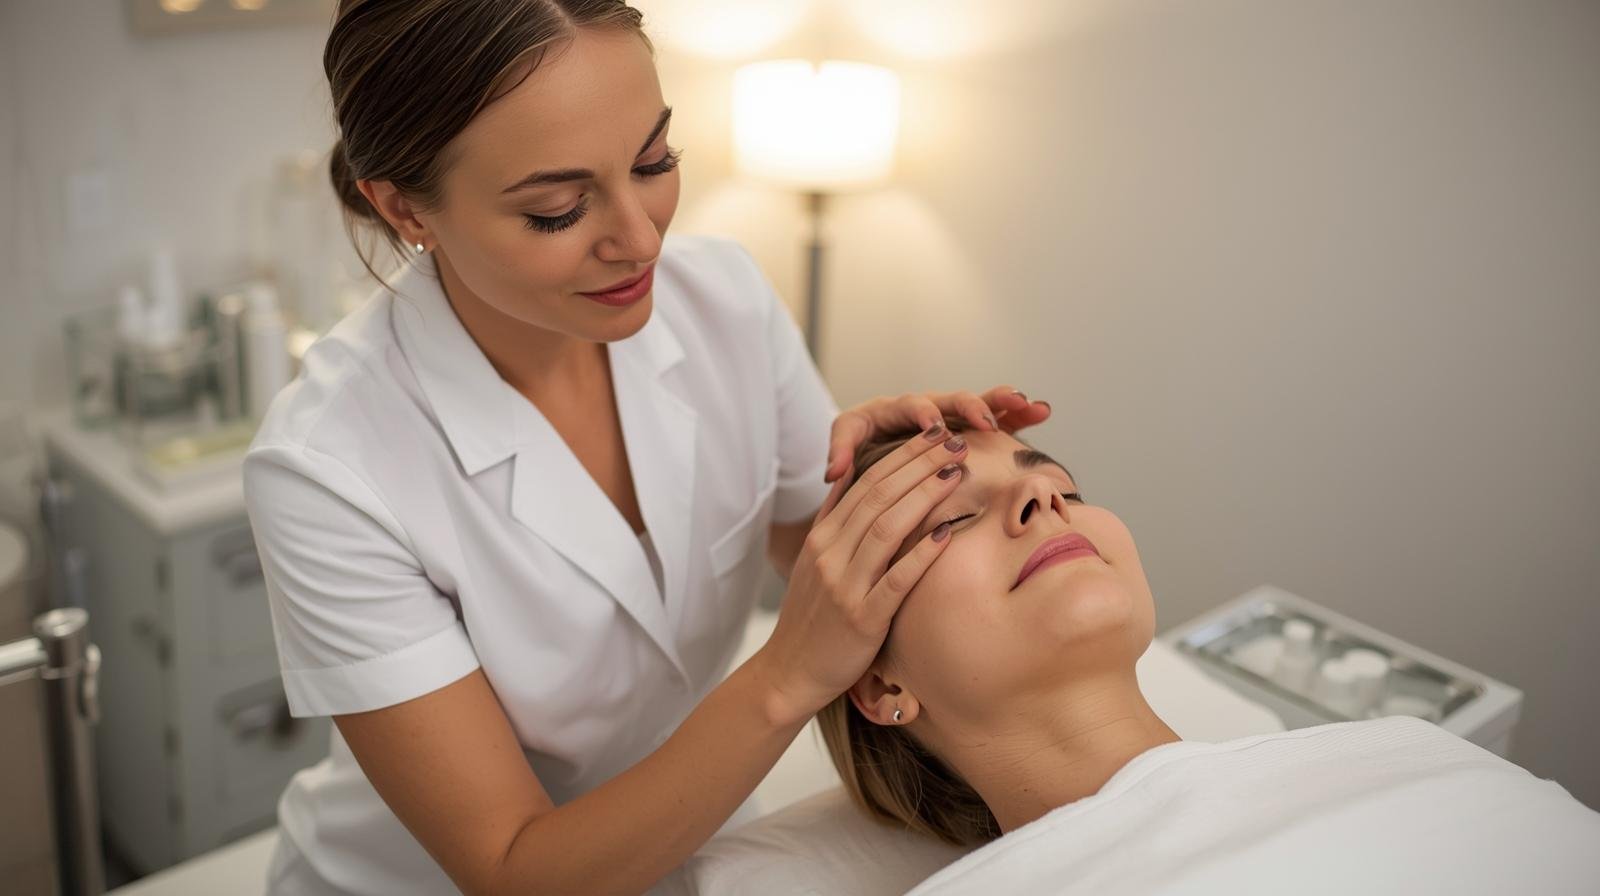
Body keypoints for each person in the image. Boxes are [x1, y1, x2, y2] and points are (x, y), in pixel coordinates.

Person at [242, 2, 1052, 894]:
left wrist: (901, 486)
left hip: (692, 844)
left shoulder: (725, 301)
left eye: (653, 162)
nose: (641, 236)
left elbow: (829, 563)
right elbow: (513, 869)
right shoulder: (327, 467)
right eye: (557, 209)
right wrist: (785, 676)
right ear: (403, 210)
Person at [815, 419, 1600, 893]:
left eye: (1065, 486)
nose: (1045, 500)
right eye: (948, 518)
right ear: (881, 680)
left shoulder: (1415, 758)